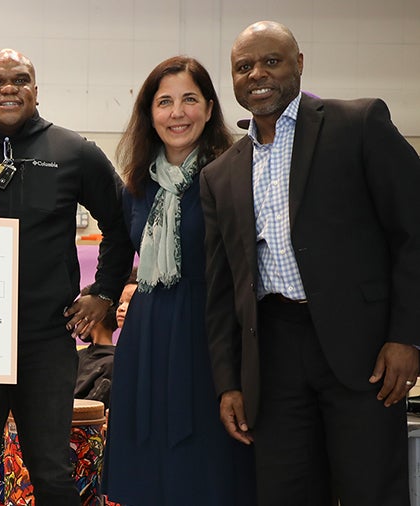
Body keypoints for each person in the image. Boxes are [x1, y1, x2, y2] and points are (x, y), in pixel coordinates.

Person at [201, 20, 420, 505]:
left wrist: (407, 336)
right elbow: (222, 290)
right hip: (272, 355)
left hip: (363, 352)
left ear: (298, 65)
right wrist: (229, 383)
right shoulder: (220, 174)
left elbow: (413, 232)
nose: (257, 73)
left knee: (371, 491)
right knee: (285, 492)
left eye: (271, 61)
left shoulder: (358, 124)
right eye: (243, 66)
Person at [0, 48, 133, 505]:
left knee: (52, 472)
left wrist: (105, 293)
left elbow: (121, 223)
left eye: (20, 79)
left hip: (47, 341)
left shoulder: (74, 152)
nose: (8, 87)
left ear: (36, 91)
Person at [102, 55, 255, 506]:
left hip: (209, 334)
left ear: (209, 108)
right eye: (164, 102)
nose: (177, 113)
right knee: (148, 466)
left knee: (208, 465)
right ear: (150, 113)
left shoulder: (233, 174)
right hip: (147, 335)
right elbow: (116, 251)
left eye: (189, 99)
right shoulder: (135, 185)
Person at [73, 284, 121, 409]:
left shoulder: (113, 363)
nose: (76, 319)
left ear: (96, 314)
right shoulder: (77, 356)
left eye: (80, 312)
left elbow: (91, 410)